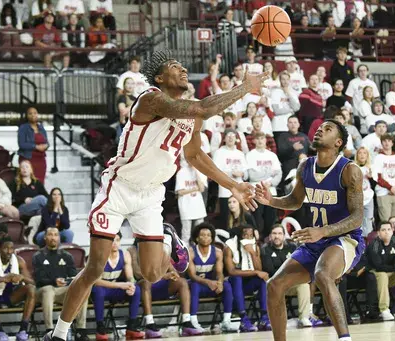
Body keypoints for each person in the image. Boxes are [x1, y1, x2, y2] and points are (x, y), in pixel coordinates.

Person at [44, 50, 265, 341]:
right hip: (119, 187)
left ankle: (167, 237)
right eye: (176, 67)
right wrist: (244, 88)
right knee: (95, 266)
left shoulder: (191, 112)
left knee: (151, 275)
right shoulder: (150, 98)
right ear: (160, 77)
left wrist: (232, 184)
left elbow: (195, 154)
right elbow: (203, 110)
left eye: (184, 66)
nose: (184, 69)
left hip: (150, 194)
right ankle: (59, 334)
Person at [255, 119, 366, 341]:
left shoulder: (349, 170)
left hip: (344, 239)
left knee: (322, 274)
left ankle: (345, 338)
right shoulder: (305, 166)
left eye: (327, 129)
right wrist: (271, 201)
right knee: (274, 285)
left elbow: (357, 218)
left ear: (338, 142)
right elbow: (295, 201)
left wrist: (324, 231)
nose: (319, 131)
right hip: (317, 240)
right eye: (319, 128)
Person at [127, 234, 203, 338]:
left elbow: (172, 270)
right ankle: (149, 323)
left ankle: (186, 322)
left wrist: (173, 274)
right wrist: (163, 275)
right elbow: (137, 273)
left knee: (182, 282)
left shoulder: (161, 249)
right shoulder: (132, 250)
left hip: (161, 285)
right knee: (145, 282)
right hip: (144, 287)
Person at [0, 236, 36, 341]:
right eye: (5, 248)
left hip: (11, 296)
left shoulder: (19, 260)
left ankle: (23, 330)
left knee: (31, 288)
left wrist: (22, 277)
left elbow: (33, 282)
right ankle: (0, 331)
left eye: (11, 248)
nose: (9, 251)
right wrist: (0, 280)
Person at [260, 225, 321, 328]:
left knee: (304, 284)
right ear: (270, 236)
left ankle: (304, 317)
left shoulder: (292, 247)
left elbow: (299, 265)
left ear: (284, 236)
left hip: (290, 283)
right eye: (274, 233)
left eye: (280, 234)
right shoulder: (266, 249)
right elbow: (270, 270)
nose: (277, 236)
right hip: (276, 285)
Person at [33, 228, 89, 341]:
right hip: (43, 291)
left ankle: (80, 331)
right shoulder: (38, 256)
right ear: (45, 237)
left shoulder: (67, 255)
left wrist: (67, 282)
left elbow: (74, 276)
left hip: (63, 290)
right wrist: (54, 281)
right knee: (48, 290)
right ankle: (49, 330)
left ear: (59, 237)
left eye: (55, 235)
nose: (53, 237)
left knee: (81, 290)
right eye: (50, 235)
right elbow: (38, 279)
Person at [91, 232, 144, 340]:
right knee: (98, 290)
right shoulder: (100, 256)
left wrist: (131, 285)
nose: (114, 243)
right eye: (112, 240)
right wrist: (119, 285)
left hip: (114, 290)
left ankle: (131, 326)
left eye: (117, 240)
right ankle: (100, 326)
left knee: (136, 290)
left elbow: (130, 277)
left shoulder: (125, 255)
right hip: (101, 290)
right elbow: (96, 281)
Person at [187, 223, 236, 332]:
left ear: (212, 238)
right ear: (197, 238)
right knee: (194, 285)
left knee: (226, 286)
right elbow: (192, 276)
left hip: (211, 285)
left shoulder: (218, 252)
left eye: (208, 235)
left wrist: (219, 282)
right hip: (197, 284)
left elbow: (219, 272)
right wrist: (208, 282)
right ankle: (193, 322)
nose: (206, 237)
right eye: (203, 235)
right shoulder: (191, 252)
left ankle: (226, 321)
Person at [224, 224, 270, 332]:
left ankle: (264, 317)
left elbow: (259, 269)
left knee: (262, 280)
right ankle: (243, 318)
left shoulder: (255, 246)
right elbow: (232, 271)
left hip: (248, 284)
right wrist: (256, 272)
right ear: (240, 236)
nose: (248, 238)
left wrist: (253, 253)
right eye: (245, 235)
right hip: (233, 284)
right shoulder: (229, 247)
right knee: (237, 278)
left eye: (251, 235)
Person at [246, 132, 282, 239]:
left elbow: (279, 173)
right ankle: (258, 240)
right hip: (256, 192)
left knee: (270, 219)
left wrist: (270, 182)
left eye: (262, 138)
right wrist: (270, 173)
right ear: (254, 141)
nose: (260, 141)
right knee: (257, 219)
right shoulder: (250, 155)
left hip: (271, 191)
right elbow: (252, 176)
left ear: (266, 140)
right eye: (258, 139)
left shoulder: (272, 155)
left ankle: (269, 240)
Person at [372, 134, 395, 221]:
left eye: (389, 141)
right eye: (384, 141)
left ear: (392, 143)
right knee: (385, 222)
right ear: (381, 143)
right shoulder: (378, 158)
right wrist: (390, 187)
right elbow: (377, 177)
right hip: (383, 193)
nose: (387, 143)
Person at [175, 157, 206, 246]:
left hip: (198, 205)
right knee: (186, 234)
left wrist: (196, 172)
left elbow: (202, 188)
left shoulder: (200, 171)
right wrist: (193, 189)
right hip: (186, 205)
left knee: (200, 232)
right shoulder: (181, 172)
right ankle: (185, 255)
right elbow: (179, 192)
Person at [18, 107, 49, 183]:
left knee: (40, 182)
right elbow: (21, 144)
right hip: (28, 159)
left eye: (35, 113)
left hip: (41, 160)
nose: (33, 115)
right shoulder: (23, 128)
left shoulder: (41, 127)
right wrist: (36, 147)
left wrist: (46, 146)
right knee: (29, 182)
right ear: (27, 116)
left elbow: (47, 142)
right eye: (30, 113)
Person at [354, 147, 374, 237]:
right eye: (360, 153)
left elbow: (375, 184)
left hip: (368, 198)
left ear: (367, 156)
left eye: (364, 153)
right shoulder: (353, 167)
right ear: (357, 155)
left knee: (368, 222)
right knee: (358, 223)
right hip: (357, 198)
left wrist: (371, 178)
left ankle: (368, 245)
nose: (362, 155)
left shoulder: (371, 167)